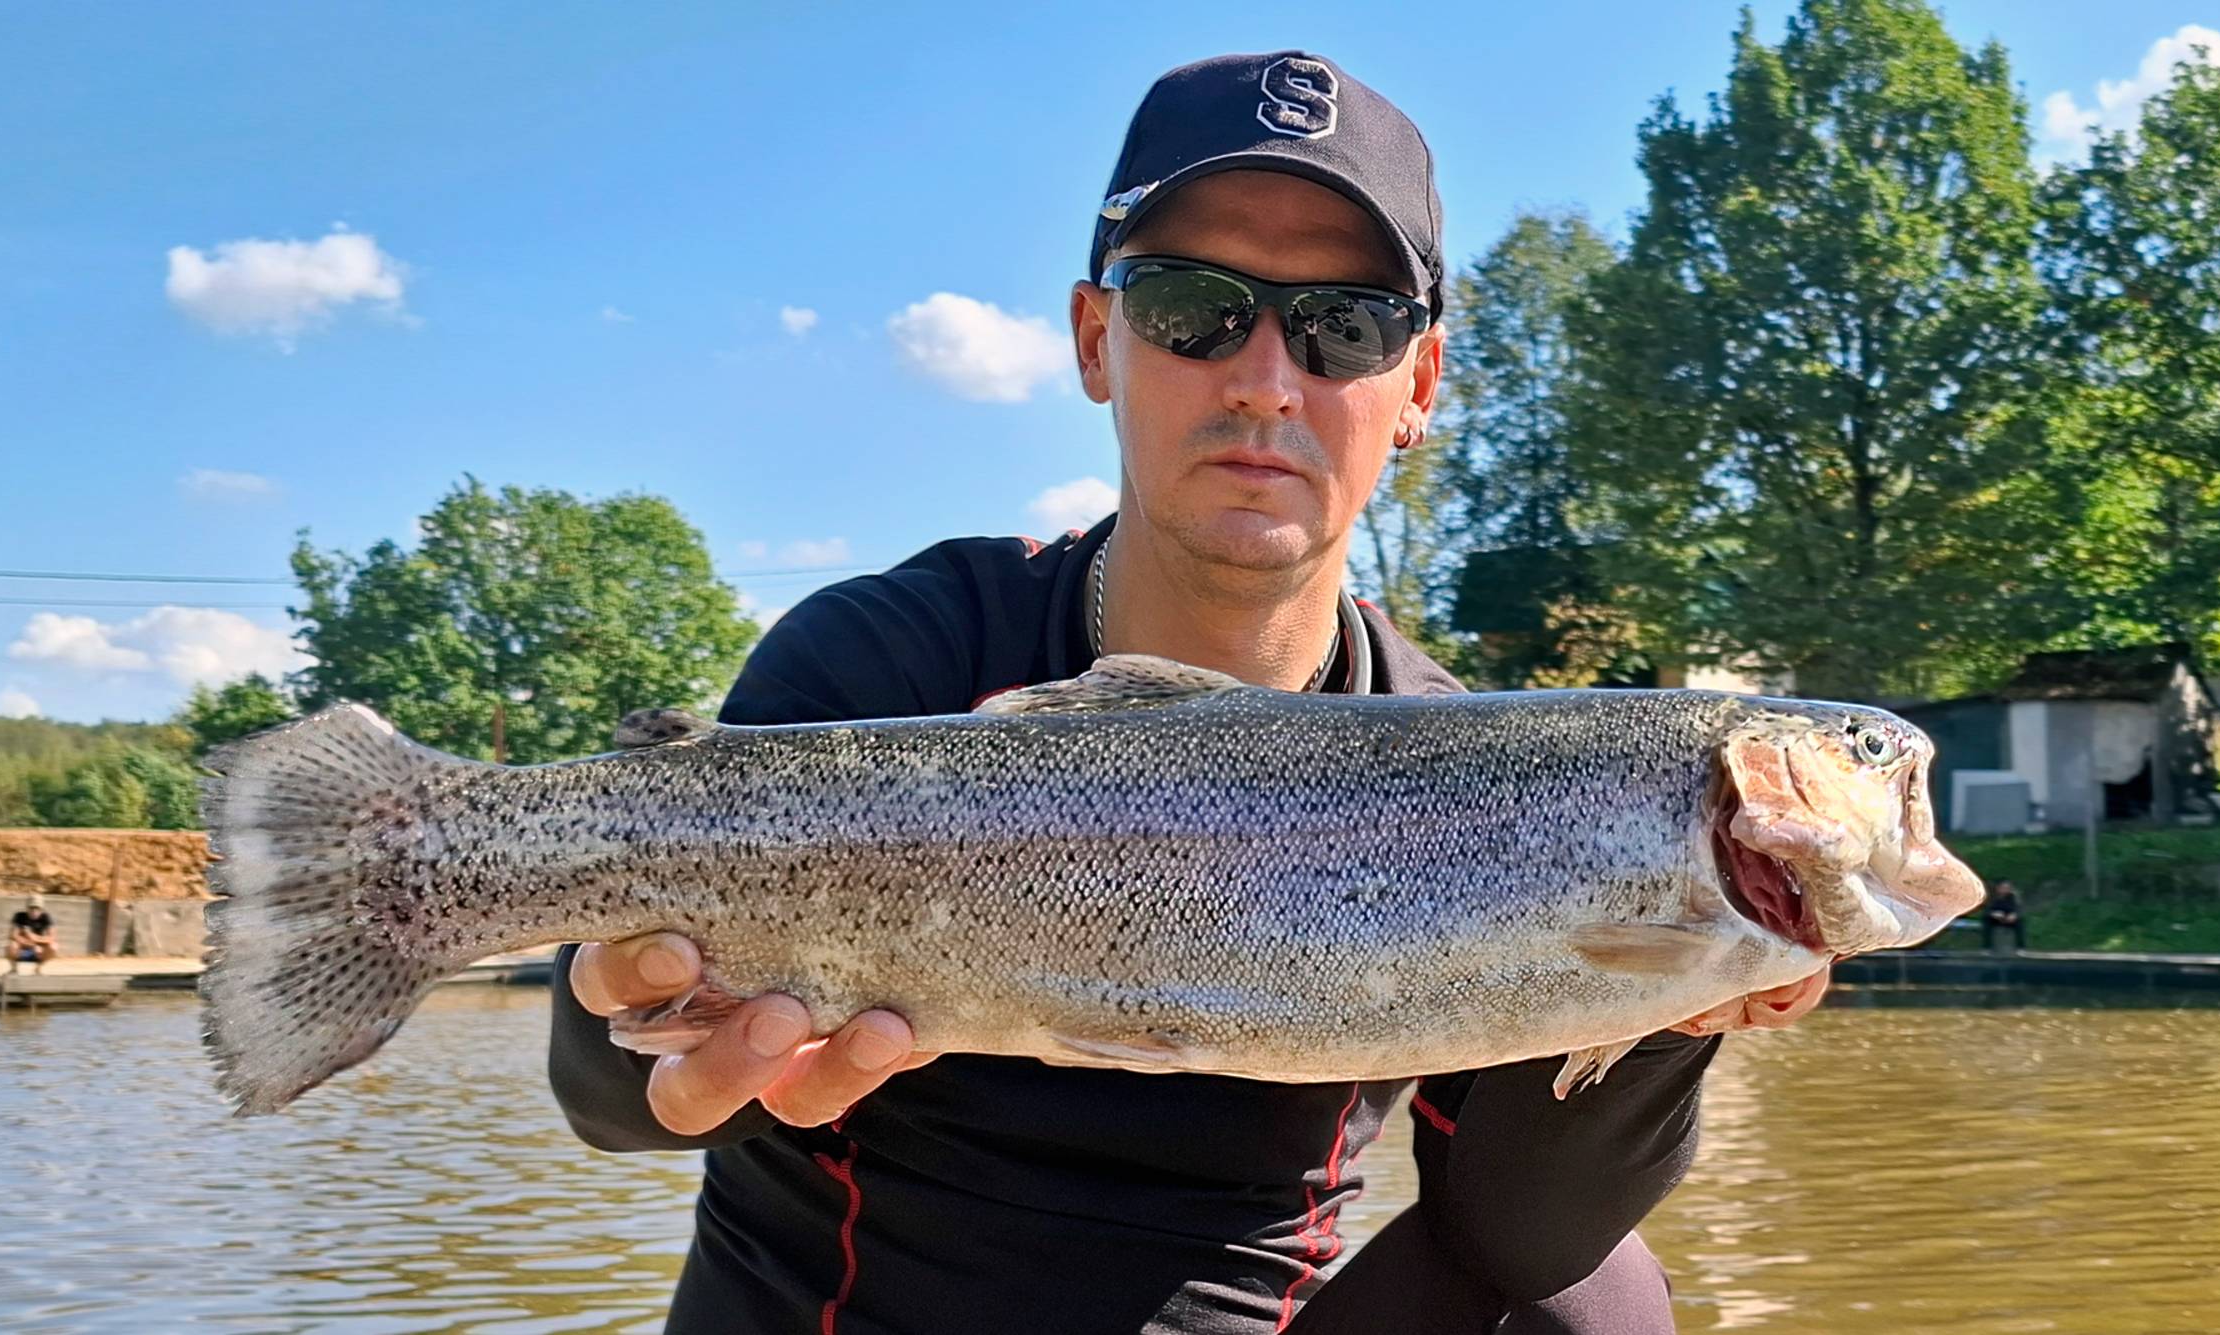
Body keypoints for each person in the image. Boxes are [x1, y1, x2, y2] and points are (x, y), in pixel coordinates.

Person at [548, 51, 1832, 1335]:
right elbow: (610, 1103)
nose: (1264, 379)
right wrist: (632, 1019)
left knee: (1600, 1300)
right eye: (1190, 306)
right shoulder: (887, 656)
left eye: (1346, 326)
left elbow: (1520, 1234)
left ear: (1417, 388)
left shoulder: (1478, 761)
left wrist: (1678, 988)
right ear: (1095, 340)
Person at [8, 893, 59, 974]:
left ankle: (38, 969)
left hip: (39, 949)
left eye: (37, 908)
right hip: (23, 947)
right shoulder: (19, 916)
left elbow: (52, 937)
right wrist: (31, 944)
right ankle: (14, 970)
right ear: (27, 908)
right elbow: (13, 935)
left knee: (54, 946)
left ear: (41, 909)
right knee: (11, 945)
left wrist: (34, 937)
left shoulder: (46, 917)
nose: (34, 911)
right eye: (31, 908)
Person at [1983, 881, 2026, 952]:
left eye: (2007, 888)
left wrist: (2014, 915)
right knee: (1986, 920)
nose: (2005, 890)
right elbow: (1986, 910)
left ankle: (2020, 947)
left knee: (2020, 922)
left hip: (2009, 919)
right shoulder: (1991, 897)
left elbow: (2019, 909)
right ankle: (1987, 947)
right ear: (1998, 888)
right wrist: (1993, 913)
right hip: (1995, 919)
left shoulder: (2013, 897)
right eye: (2003, 888)